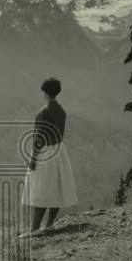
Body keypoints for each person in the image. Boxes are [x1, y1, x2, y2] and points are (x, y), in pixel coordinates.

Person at [21, 76, 78, 235]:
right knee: (56, 187)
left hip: (45, 152)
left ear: (45, 92)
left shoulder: (43, 113)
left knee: (40, 189)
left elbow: (39, 138)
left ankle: (34, 229)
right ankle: (49, 224)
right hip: (59, 151)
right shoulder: (62, 111)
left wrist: (33, 159)